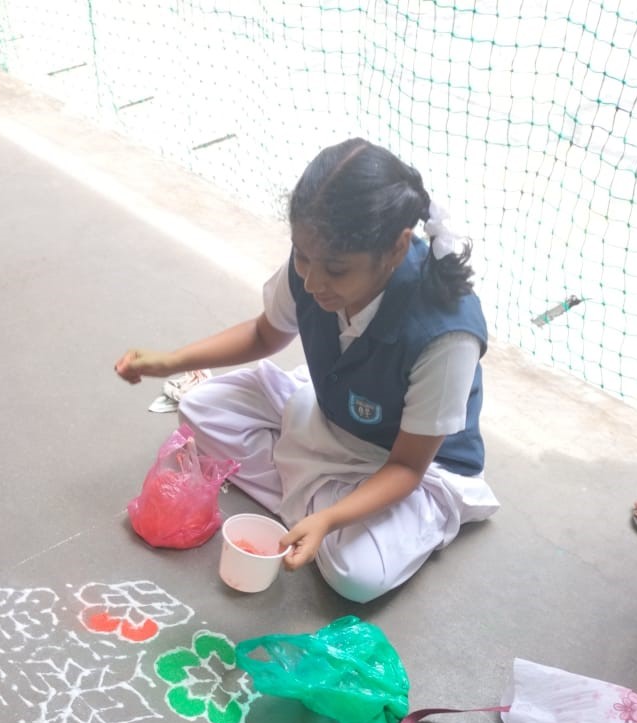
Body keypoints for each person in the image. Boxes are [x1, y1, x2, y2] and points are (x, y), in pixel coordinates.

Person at [116, 138, 499, 603]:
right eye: (301, 256)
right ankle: (317, 496)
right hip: (332, 412)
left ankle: (321, 503)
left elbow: (406, 466)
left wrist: (329, 520)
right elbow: (264, 334)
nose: (313, 281)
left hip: (409, 464)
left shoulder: (446, 335)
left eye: (336, 270)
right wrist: (172, 361)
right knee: (199, 409)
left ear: (397, 248)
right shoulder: (317, 259)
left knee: (356, 577)